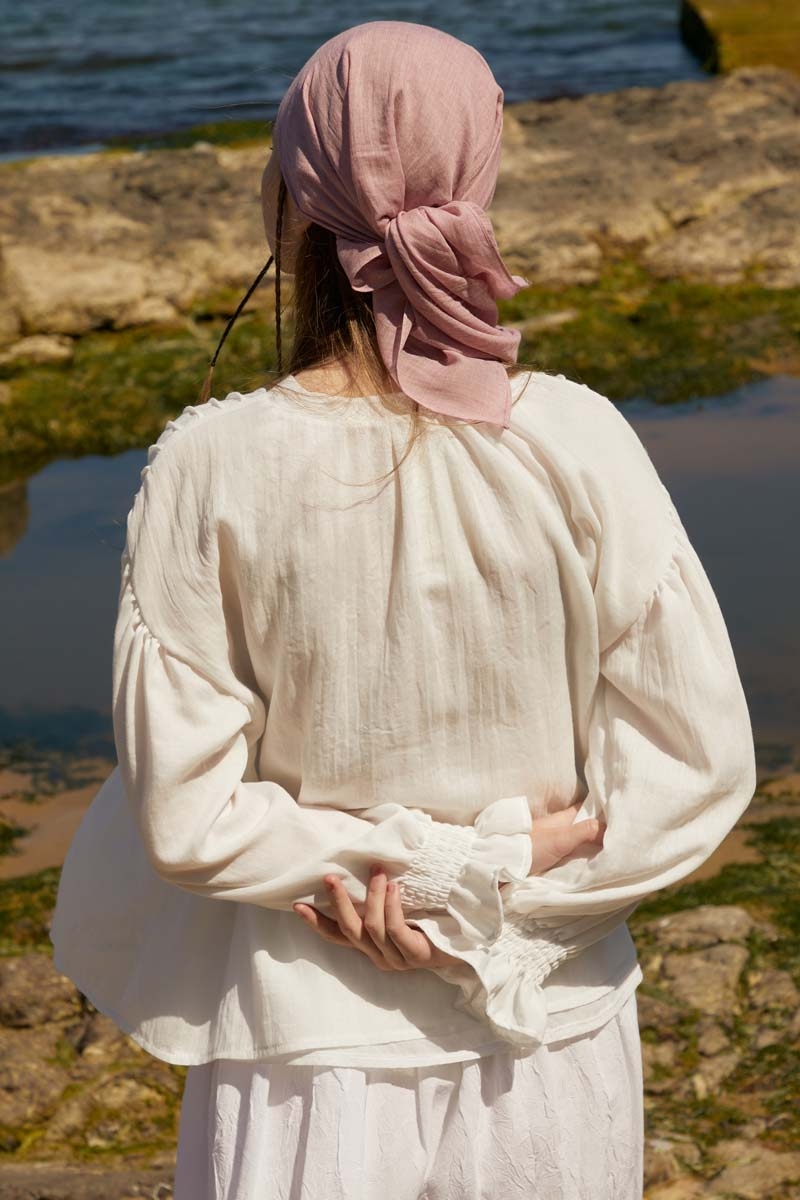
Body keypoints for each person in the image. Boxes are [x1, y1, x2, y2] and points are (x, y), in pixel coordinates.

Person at [49, 20, 757, 1200]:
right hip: (548, 1040)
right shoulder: (577, 440)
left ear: (289, 202)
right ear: (476, 186)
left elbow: (186, 816)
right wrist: (489, 898)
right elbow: (695, 768)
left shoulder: (211, 463)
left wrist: (419, 872)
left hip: (300, 1058)